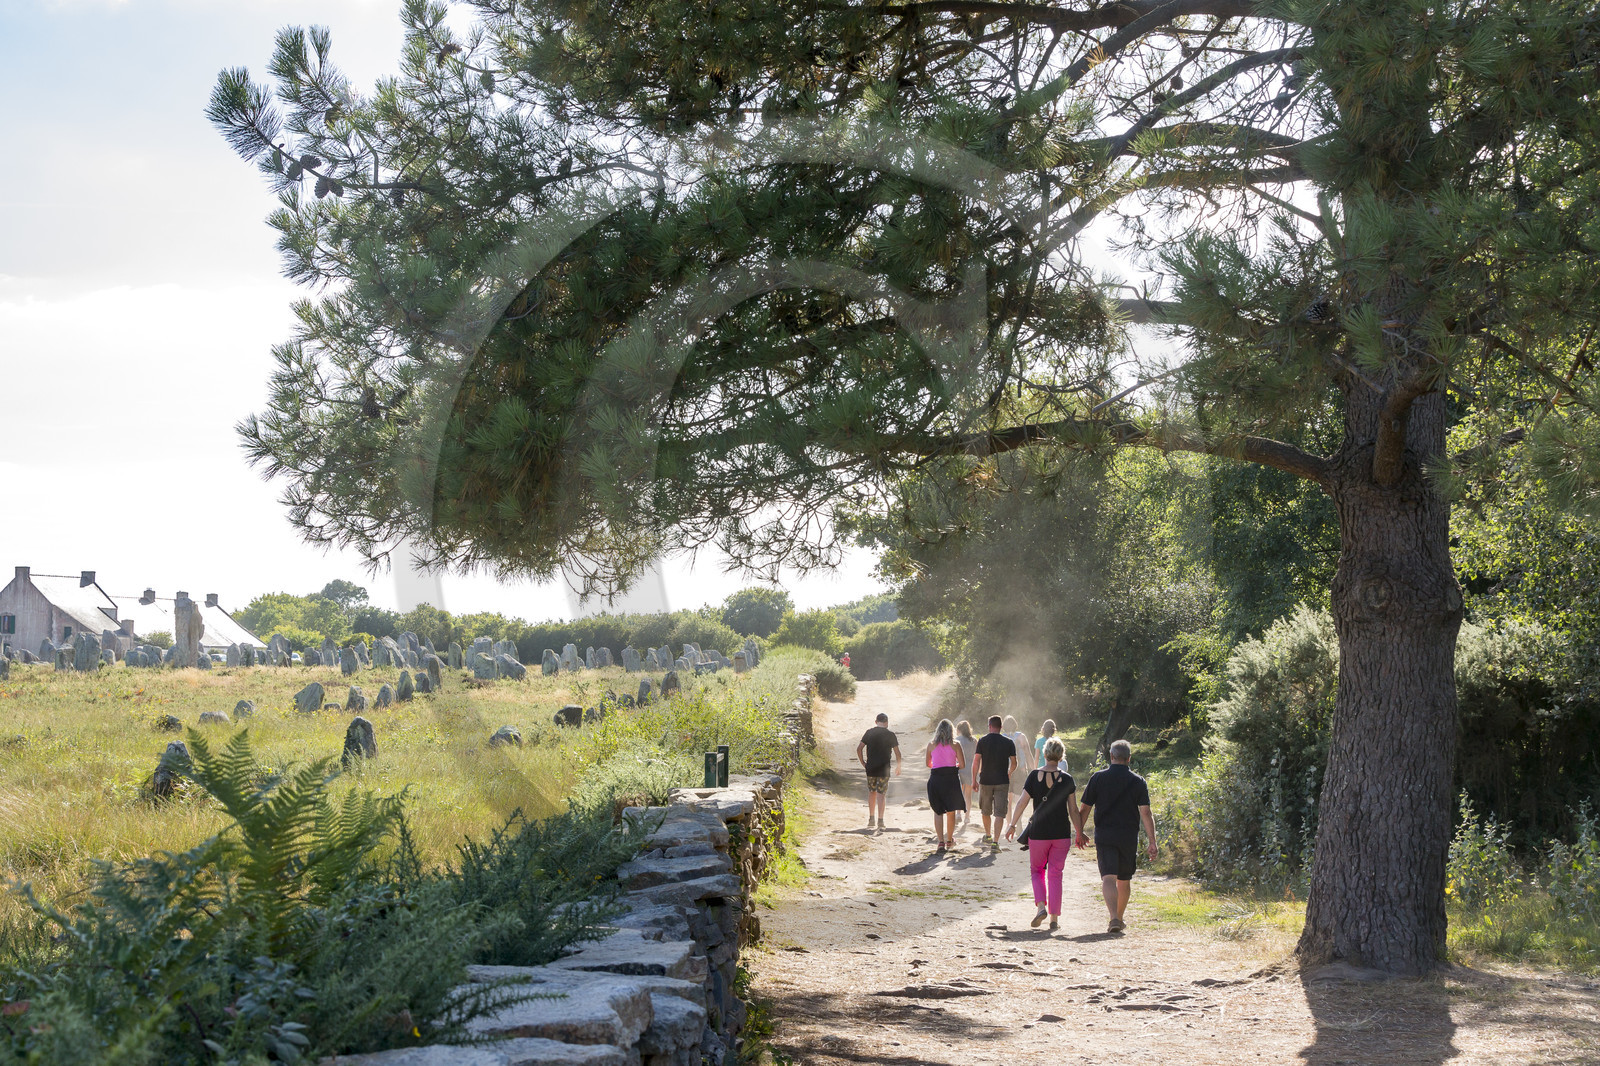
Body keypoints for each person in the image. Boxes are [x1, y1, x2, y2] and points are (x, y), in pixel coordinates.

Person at [1077, 738, 1158, 933]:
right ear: (1129, 758)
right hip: (1128, 836)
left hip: (1105, 835)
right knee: (1124, 879)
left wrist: (1079, 832)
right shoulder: (1138, 781)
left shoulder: (1098, 778)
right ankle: (1119, 918)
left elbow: (1085, 808)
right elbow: (1146, 812)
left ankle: (1114, 917)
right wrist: (1152, 841)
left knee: (1108, 878)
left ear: (1111, 756)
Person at [1005, 737, 1081, 931]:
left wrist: (1013, 824)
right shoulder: (1067, 779)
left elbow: (1022, 802)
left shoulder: (1033, 776)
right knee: (1056, 874)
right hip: (1061, 833)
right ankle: (1054, 919)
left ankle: (1041, 907)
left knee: (1037, 870)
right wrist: (1079, 832)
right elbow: (1073, 810)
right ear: (1061, 755)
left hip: (1038, 833)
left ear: (1045, 754)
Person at [969, 715, 1017, 847]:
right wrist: (1009, 772)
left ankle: (988, 835)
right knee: (1000, 813)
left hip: (985, 781)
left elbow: (976, 761)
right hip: (1002, 781)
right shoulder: (1008, 742)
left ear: (989, 726)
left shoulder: (982, 741)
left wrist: (974, 780)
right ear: (1001, 727)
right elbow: (1014, 763)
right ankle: (996, 842)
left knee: (985, 811)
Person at [924, 718, 967, 850]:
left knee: (938, 811)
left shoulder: (931, 745)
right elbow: (962, 764)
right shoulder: (956, 744)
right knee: (951, 811)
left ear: (937, 731)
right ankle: (949, 840)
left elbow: (928, 764)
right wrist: (951, 766)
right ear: (951, 730)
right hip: (951, 779)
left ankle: (940, 842)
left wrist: (938, 765)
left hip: (936, 779)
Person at [856, 712, 902, 830]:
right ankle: (880, 821)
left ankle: (871, 819)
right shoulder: (890, 735)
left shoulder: (869, 733)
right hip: (884, 769)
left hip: (870, 768)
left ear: (876, 722)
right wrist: (899, 766)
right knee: (881, 794)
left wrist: (863, 763)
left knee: (872, 792)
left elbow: (859, 748)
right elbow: (897, 752)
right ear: (886, 723)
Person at [1003, 715, 1034, 803]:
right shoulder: (1021, 736)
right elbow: (1028, 753)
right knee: (1018, 798)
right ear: (1015, 725)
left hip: (1006, 771)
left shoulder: (1002, 737)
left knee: (1008, 798)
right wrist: (1033, 769)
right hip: (1020, 769)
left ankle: (1008, 817)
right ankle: (1017, 817)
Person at [954, 720, 978, 830]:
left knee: (958, 792)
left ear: (959, 730)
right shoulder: (974, 741)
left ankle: (958, 813)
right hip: (971, 769)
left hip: (959, 768)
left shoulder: (956, 740)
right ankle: (967, 817)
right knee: (968, 795)